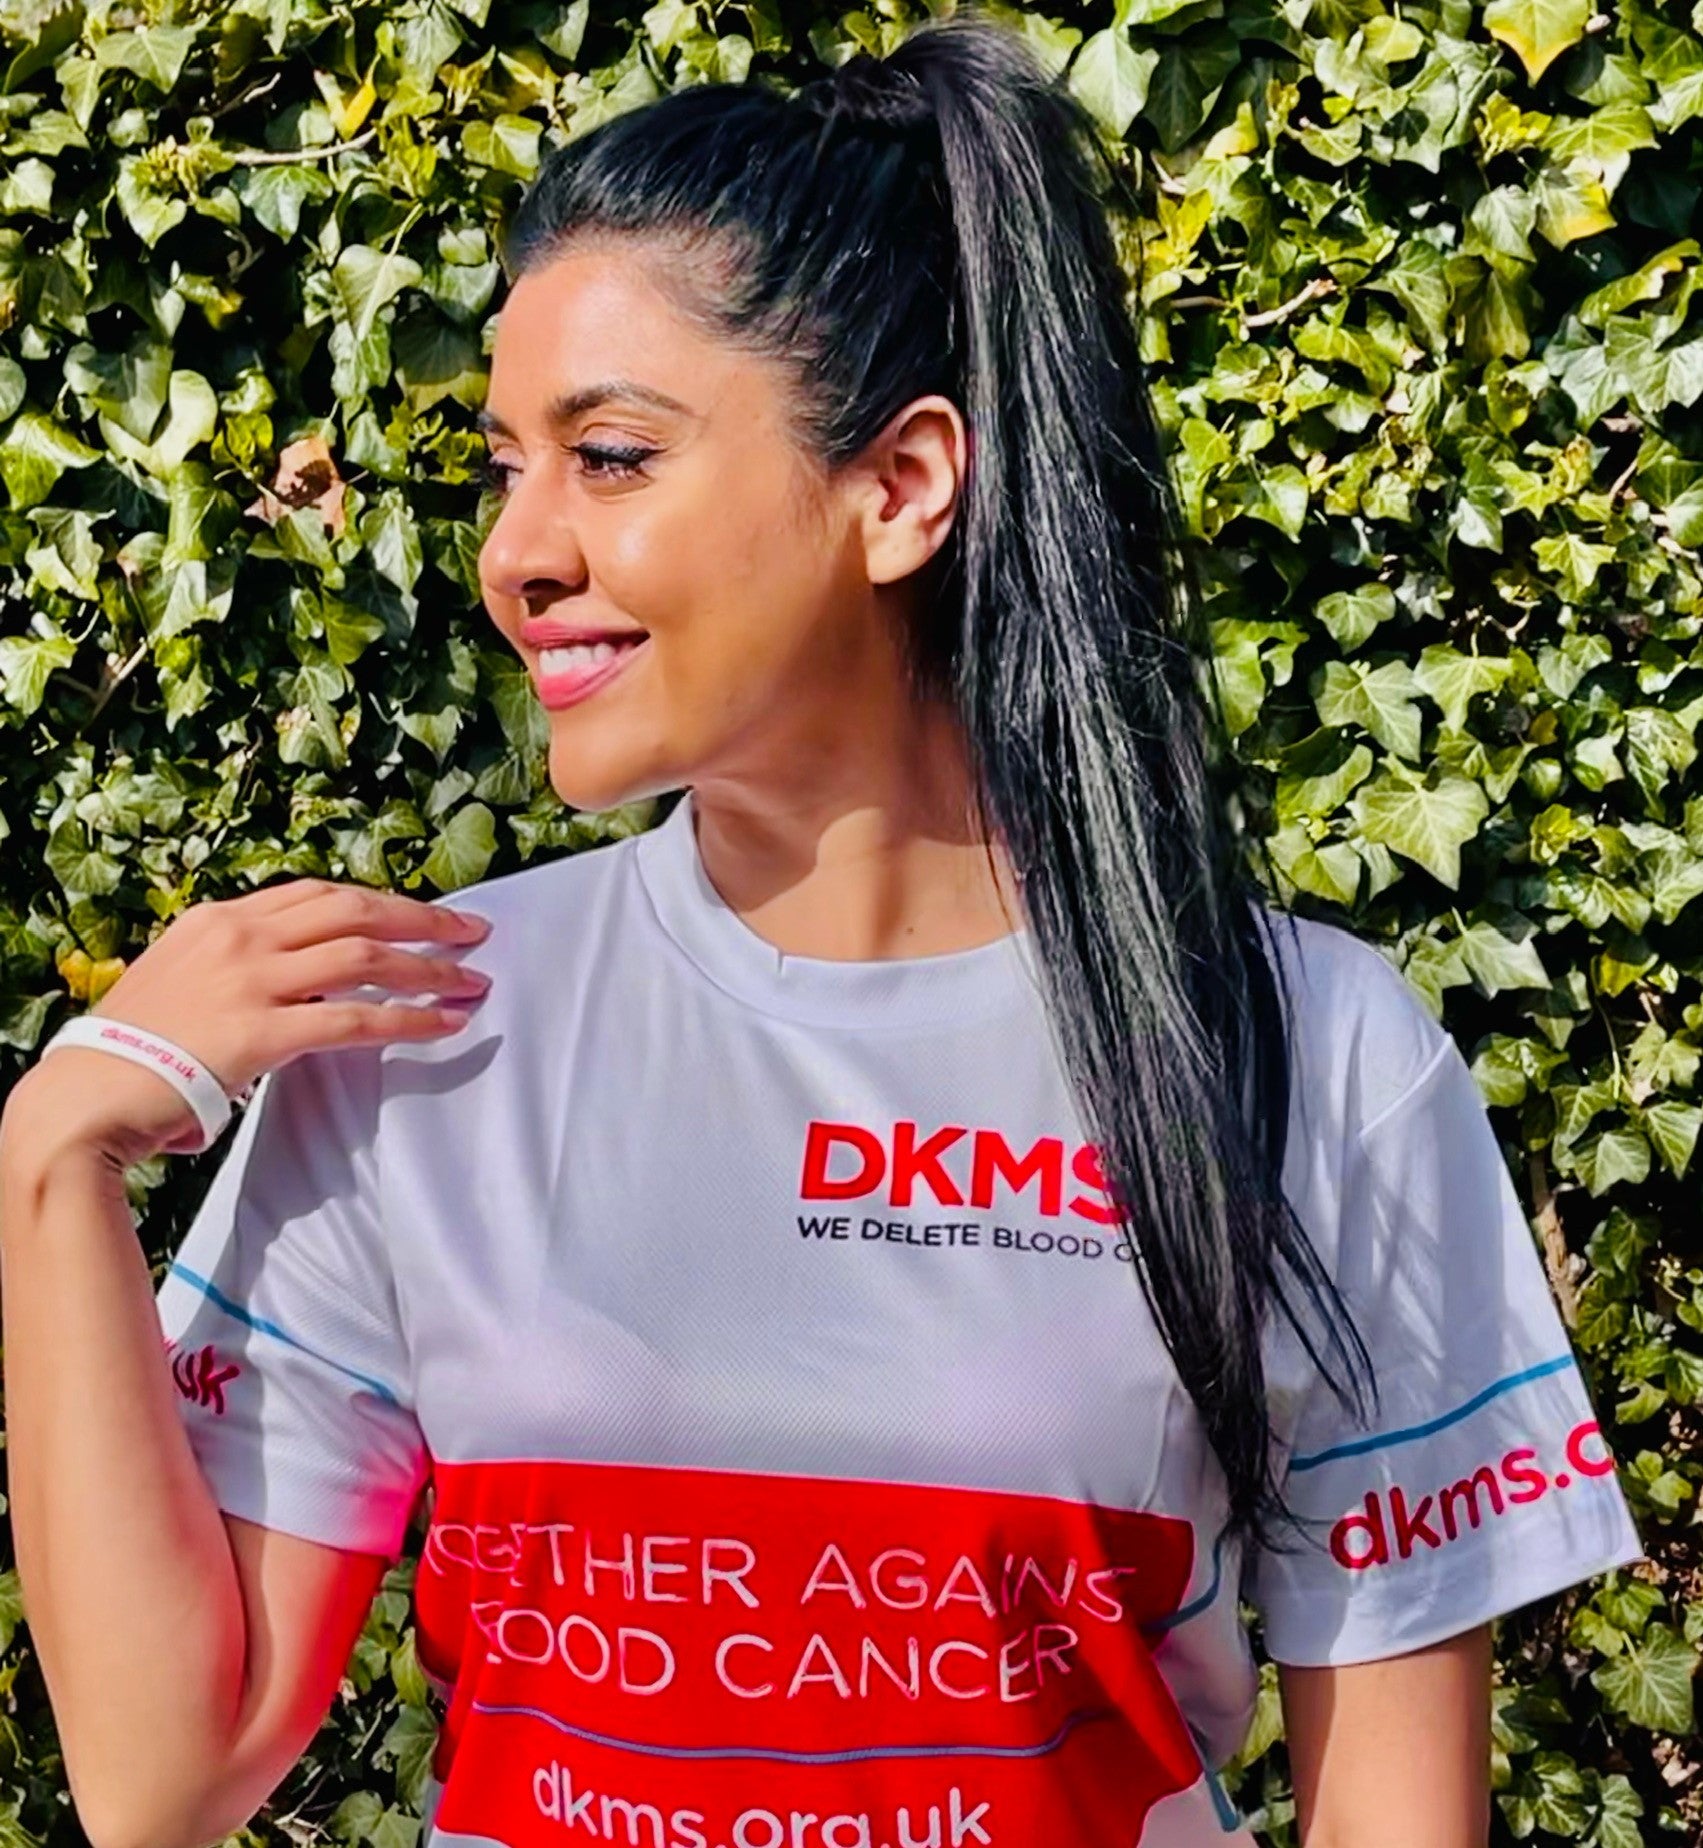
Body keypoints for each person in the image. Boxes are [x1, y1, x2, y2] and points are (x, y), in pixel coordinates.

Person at [0, 10, 1643, 1847]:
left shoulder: (1301, 1051)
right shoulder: (414, 1030)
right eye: (502, 467)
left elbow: (1396, 1813)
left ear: (901, 488)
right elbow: (165, 1777)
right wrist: (57, 1150)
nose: (515, 552)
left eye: (610, 455)